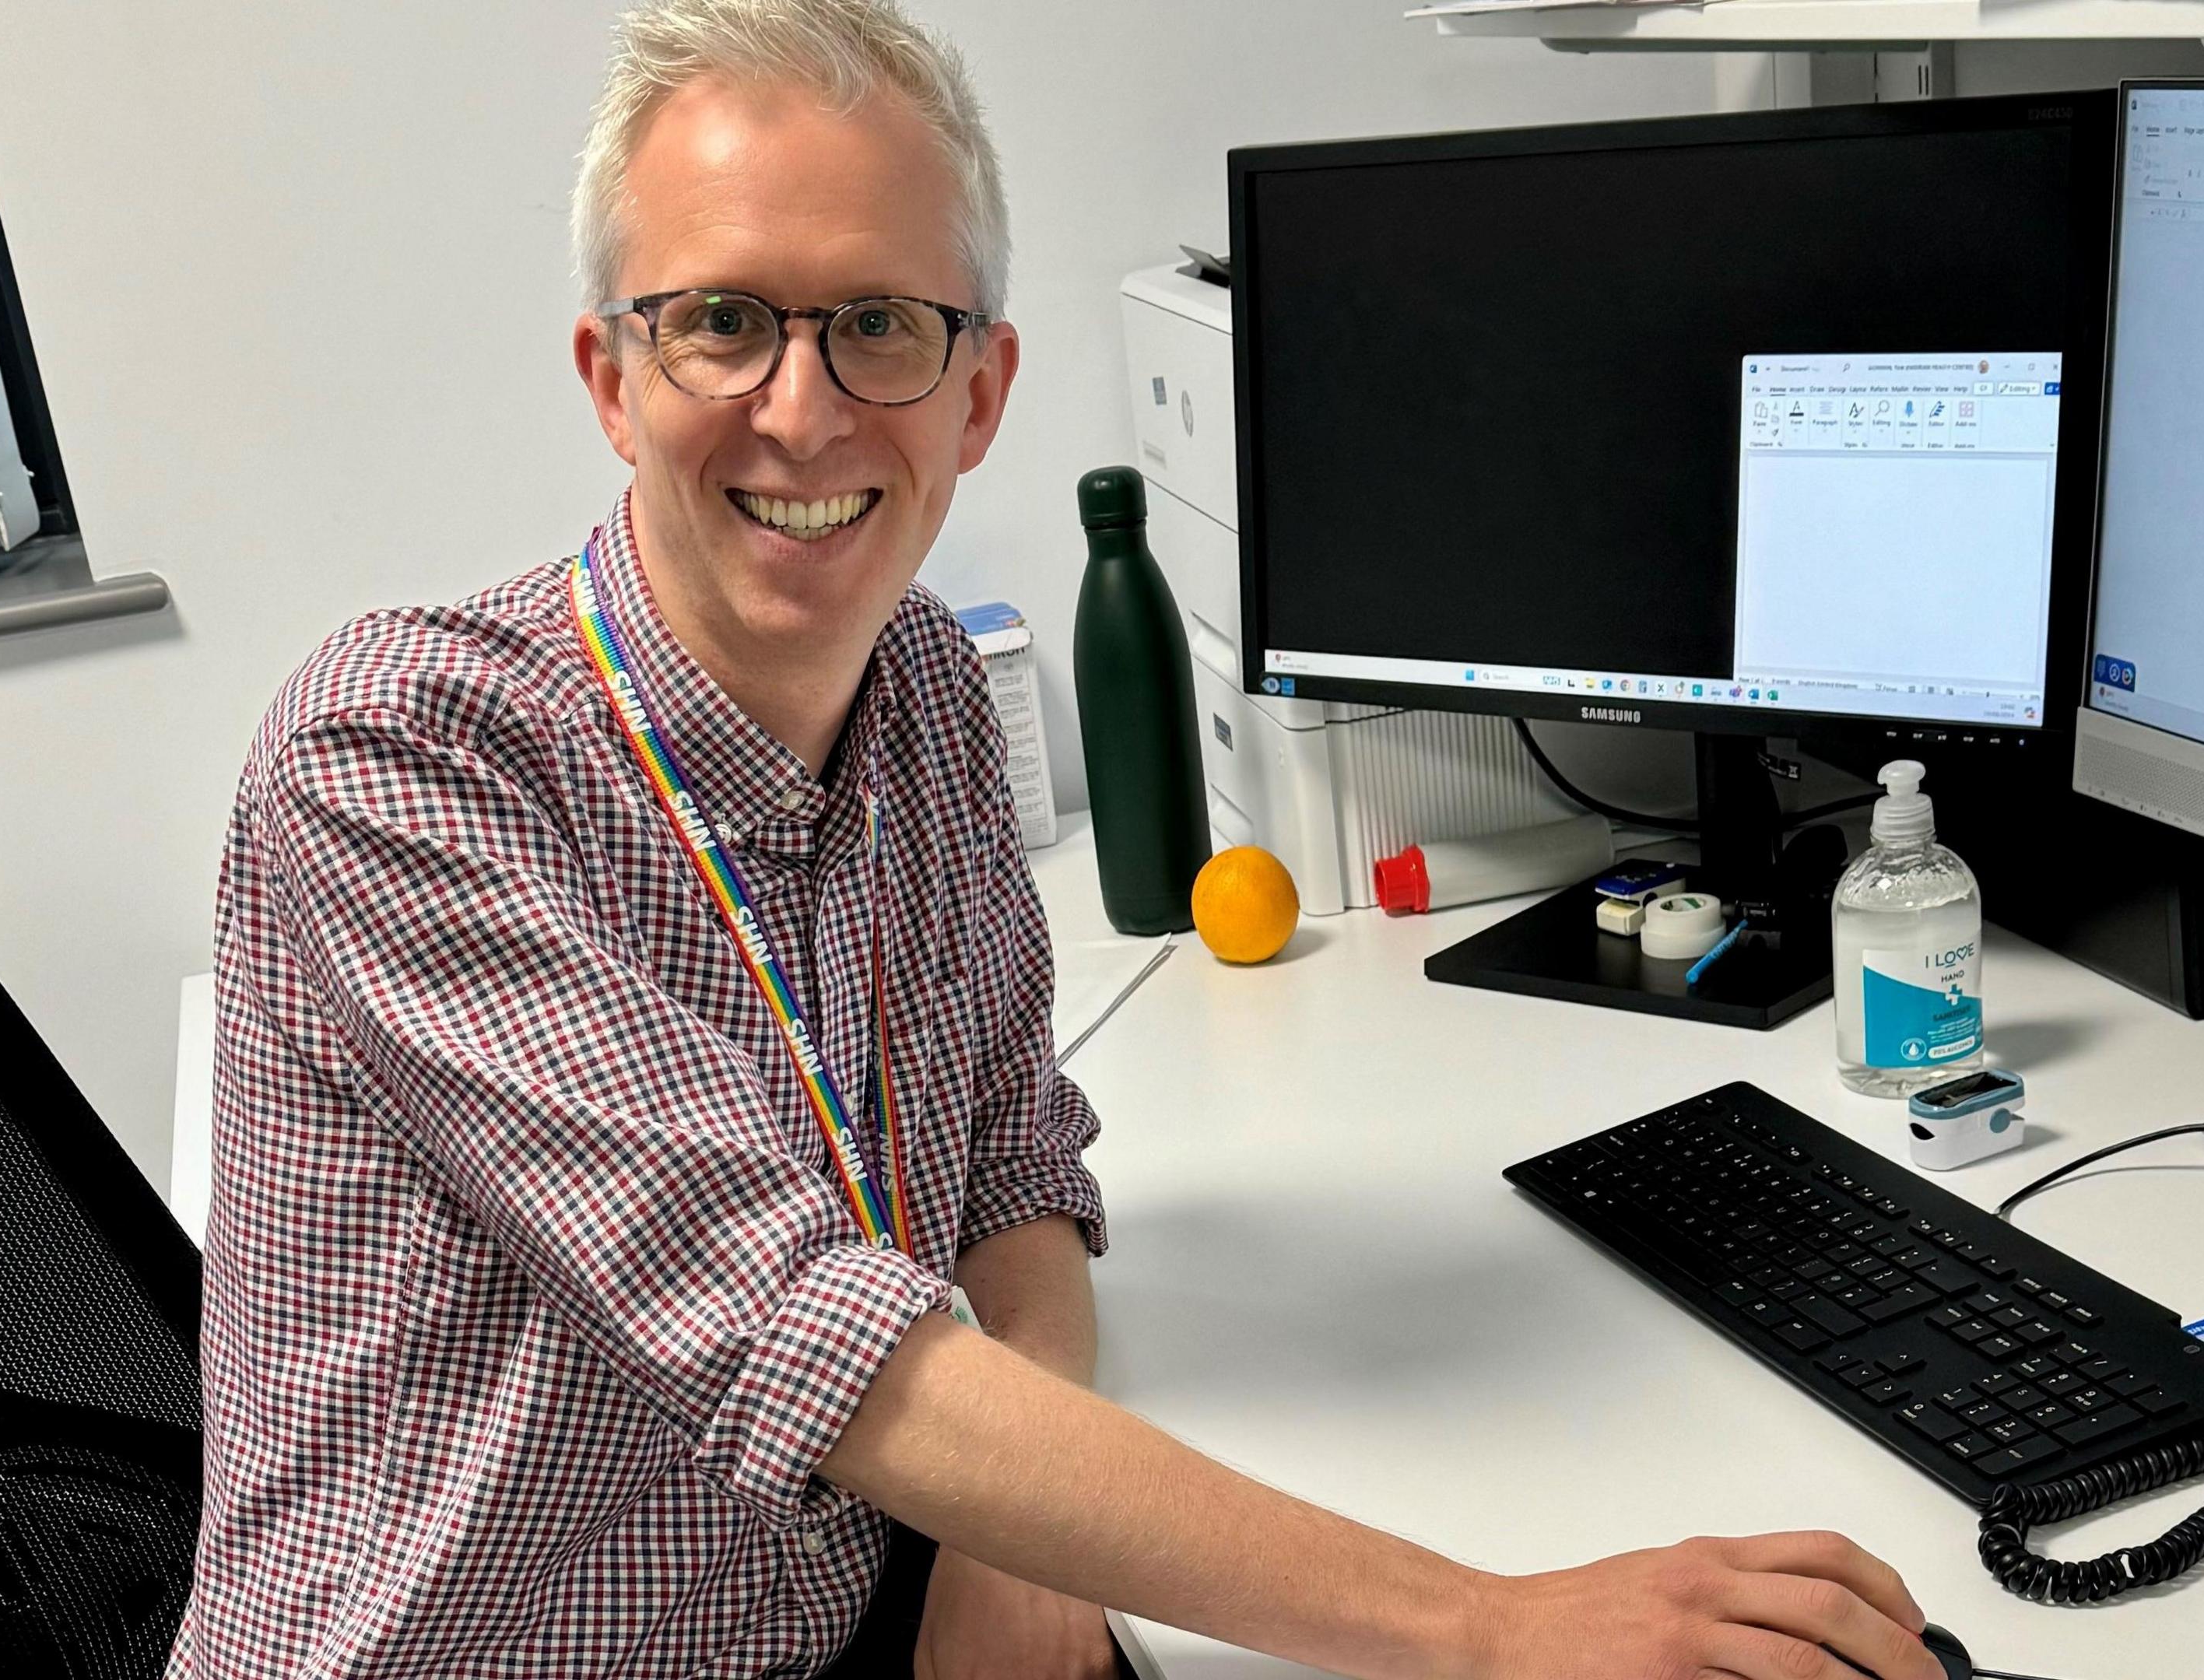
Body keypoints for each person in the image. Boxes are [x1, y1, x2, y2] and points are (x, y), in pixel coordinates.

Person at [172, 2, 1949, 1676]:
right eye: (722, 320)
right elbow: (808, 1338)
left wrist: (1021, 1528)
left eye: (880, 322)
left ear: (983, 392)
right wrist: (1492, 1628)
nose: (804, 410)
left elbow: (1010, 1168)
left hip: (828, 1610)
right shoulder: (403, 757)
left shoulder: (932, 693)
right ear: (610, 376)